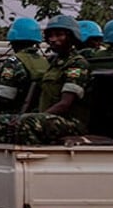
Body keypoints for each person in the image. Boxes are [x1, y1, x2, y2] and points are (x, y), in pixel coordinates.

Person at [11, 15, 91, 144]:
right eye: (51, 36)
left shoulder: (77, 64)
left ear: (71, 37)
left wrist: (35, 116)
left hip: (71, 122)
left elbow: (65, 104)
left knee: (25, 123)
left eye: (59, 35)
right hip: (49, 118)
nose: (53, 39)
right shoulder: (53, 62)